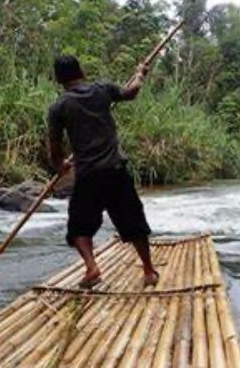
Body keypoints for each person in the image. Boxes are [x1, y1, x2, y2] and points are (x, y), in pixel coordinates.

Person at [47, 55, 158, 288]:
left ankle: (91, 267)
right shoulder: (102, 90)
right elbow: (132, 92)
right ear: (82, 71)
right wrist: (140, 74)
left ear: (58, 79)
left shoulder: (59, 107)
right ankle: (148, 271)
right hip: (115, 170)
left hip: (88, 175)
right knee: (134, 222)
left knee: (78, 228)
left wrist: (61, 166)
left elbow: (55, 149)